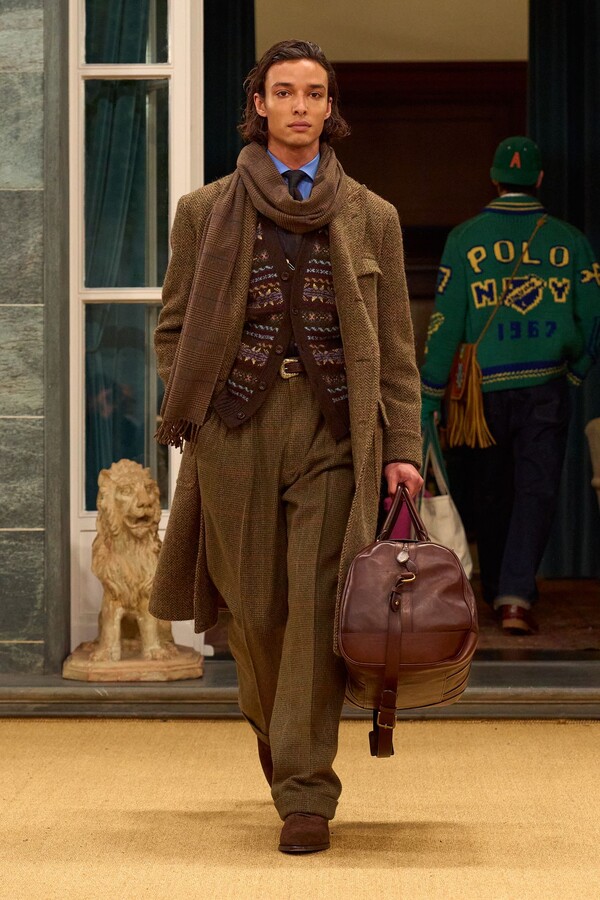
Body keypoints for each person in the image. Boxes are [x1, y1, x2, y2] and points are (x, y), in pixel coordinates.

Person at [149, 40, 422, 853]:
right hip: (236, 429)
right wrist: (197, 406)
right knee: (255, 609)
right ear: (259, 104)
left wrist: (403, 448)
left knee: (315, 604)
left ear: (330, 109)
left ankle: (306, 789)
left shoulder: (372, 215)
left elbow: (397, 349)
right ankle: (277, 724)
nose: (301, 105)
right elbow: (172, 330)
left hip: (336, 430)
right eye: (285, 91)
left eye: (315, 93)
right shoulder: (204, 212)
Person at [420, 136, 600, 635]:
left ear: (495, 178)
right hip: (546, 383)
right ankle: (515, 597)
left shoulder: (465, 239)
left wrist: (429, 393)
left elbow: (446, 323)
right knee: (535, 489)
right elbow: (594, 316)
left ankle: (497, 587)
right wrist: (577, 370)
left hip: (482, 394)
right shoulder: (570, 240)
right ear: (539, 179)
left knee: (491, 491)